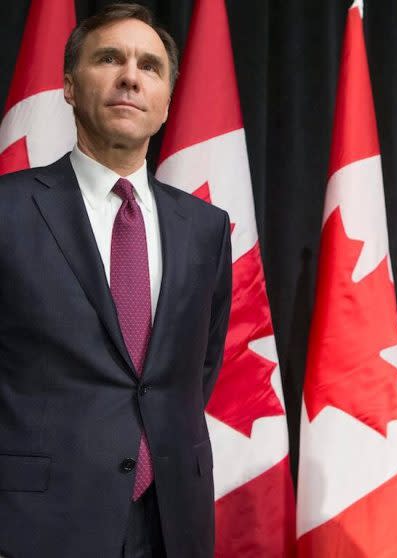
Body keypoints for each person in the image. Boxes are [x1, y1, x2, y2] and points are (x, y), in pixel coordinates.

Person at [0, 4, 231, 557]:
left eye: (150, 66)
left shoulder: (206, 227)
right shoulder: (8, 209)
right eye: (109, 58)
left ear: (168, 100)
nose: (131, 75)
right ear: (69, 87)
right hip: (39, 523)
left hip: (173, 522)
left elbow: (199, 367)